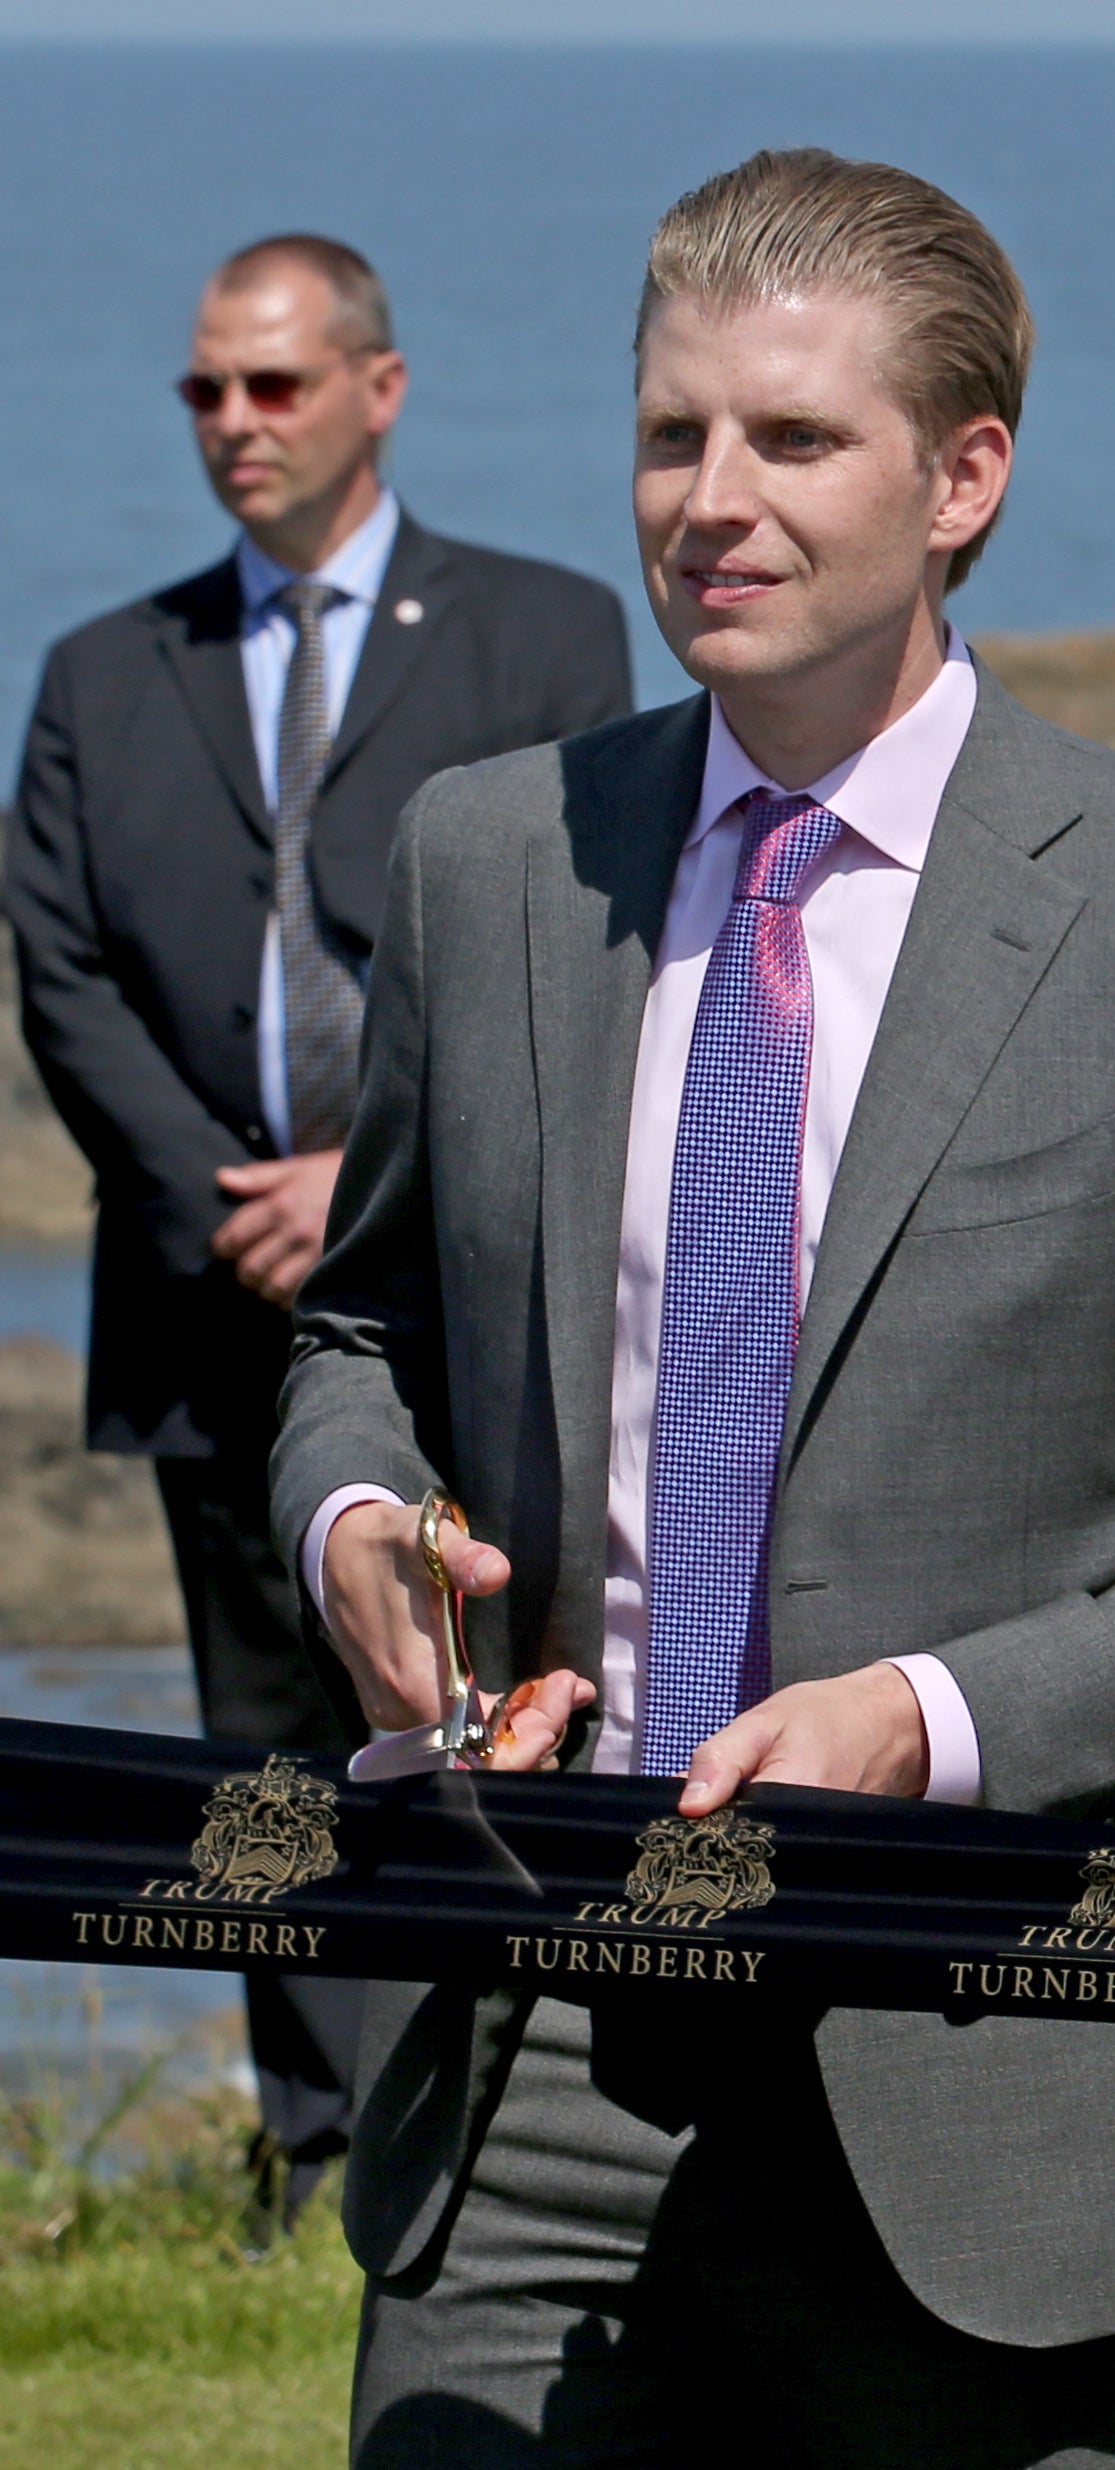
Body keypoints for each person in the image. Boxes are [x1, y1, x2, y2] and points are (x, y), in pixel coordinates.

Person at [269, 150, 1115, 2470]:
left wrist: (929, 1716)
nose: (710, 501)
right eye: (674, 436)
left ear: (964, 478)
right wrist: (356, 1517)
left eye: (792, 442)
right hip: (535, 2033)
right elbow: (353, 1332)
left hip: (1004, 2078)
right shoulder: (492, 863)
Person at [6, 232, 630, 2233]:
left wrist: (353, 1182)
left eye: (272, 386)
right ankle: (308, 2149)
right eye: (204, 391)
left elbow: (577, 941)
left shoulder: (536, 636)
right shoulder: (110, 673)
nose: (234, 426)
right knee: (258, 1751)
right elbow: (64, 968)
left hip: (447, 1290)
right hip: (204, 1294)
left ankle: (497, 2116)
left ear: (378, 387)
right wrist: (225, 1194)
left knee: (470, 1704)